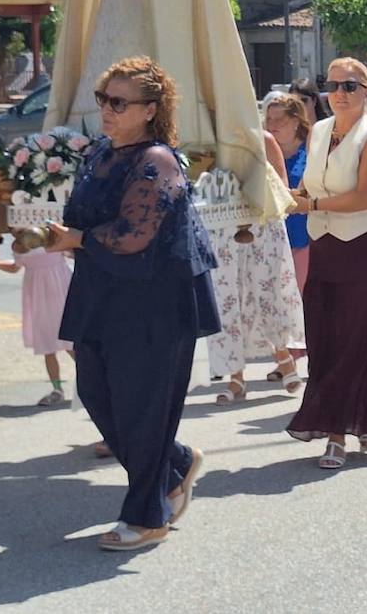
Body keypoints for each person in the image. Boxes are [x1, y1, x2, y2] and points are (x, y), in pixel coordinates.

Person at [46, 57, 220, 551]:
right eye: (104, 98)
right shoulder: (99, 153)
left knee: (141, 408)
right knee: (99, 395)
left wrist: (74, 238)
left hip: (154, 298)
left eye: (119, 102)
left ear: (149, 110)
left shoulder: (157, 161)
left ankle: (148, 515)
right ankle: (176, 463)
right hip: (102, 290)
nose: (107, 109)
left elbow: (134, 235)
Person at [287, 58, 367, 469]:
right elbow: (305, 186)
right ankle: (356, 415)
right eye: (332, 84)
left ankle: (336, 432)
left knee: (357, 336)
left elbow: (365, 197)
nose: (339, 92)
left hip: (365, 244)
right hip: (324, 245)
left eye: (350, 86)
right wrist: (282, 196)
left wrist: (310, 204)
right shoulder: (318, 131)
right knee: (325, 335)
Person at [206, 128, 305, 402]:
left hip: (264, 223)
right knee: (228, 296)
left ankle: (283, 355)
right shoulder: (208, 142)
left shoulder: (265, 140)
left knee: (268, 291)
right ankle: (235, 376)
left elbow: (283, 192)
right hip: (223, 227)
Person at [0, 239, 74, 405]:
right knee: (48, 343)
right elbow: (15, 267)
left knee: (70, 340)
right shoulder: (19, 243)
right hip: (38, 291)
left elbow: (73, 252)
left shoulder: (52, 234)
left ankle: (95, 382)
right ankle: (57, 388)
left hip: (60, 288)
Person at [264, 93, 312, 294]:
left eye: (279, 119)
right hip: (269, 240)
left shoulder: (309, 150)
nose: (272, 124)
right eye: (269, 119)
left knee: (298, 300)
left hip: (303, 240)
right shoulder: (261, 151)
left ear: (295, 122)